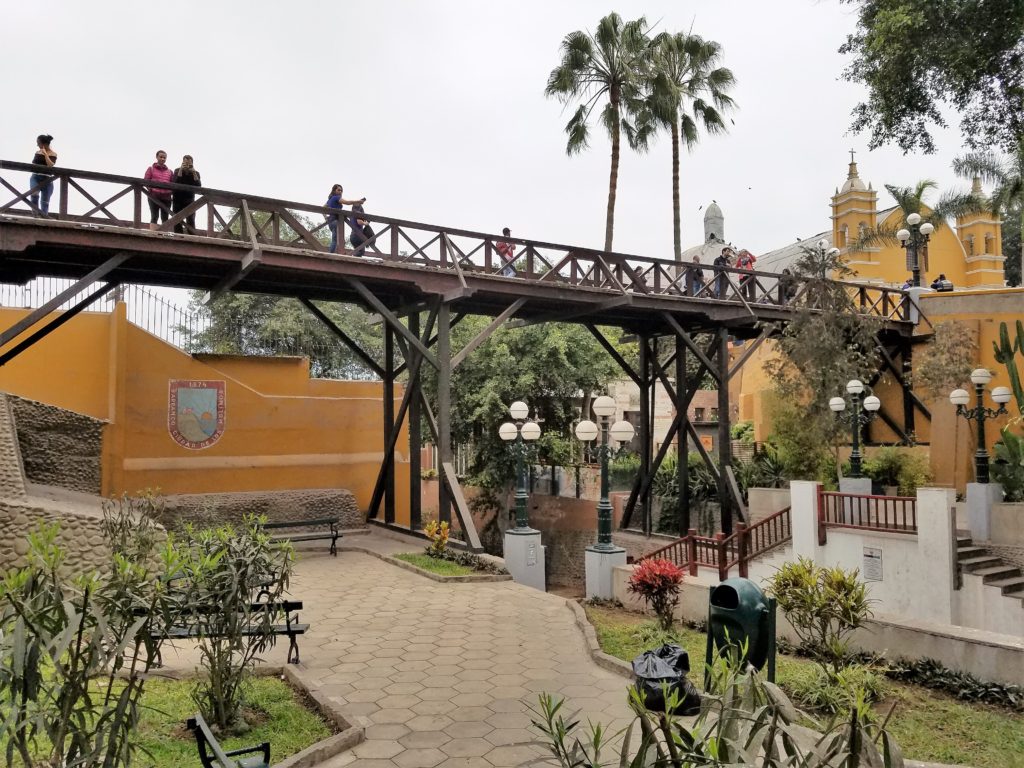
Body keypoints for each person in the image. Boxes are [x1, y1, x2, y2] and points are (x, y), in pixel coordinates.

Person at [324, 184, 366, 253]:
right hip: (336, 221)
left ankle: (336, 253)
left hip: (331, 222)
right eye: (338, 190)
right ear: (334, 191)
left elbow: (323, 209)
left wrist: (326, 218)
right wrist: (358, 201)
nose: (340, 192)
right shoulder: (336, 198)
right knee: (335, 240)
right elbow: (347, 202)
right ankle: (331, 255)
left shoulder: (330, 200)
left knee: (338, 240)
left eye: (341, 190)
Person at [143, 150, 174, 230]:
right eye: (161, 157)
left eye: (164, 157)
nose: (163, 159)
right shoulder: (151, 169)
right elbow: (146, 181)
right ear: (157, 157)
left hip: (166, 198)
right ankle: (153, 234)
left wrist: (169, 192)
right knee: (154, 216)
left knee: (165, 217)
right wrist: (151, 190)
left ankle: (165, 235)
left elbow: (173, 184)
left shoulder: (170, 171)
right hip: (154, 197)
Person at [171, 155, 202, 234]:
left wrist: (193, 172)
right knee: (176, 218)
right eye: (185, 162)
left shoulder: (196, 173)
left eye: (189, 163)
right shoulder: (177, 170)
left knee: (191, 219)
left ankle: (192, 235)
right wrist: (181, 169)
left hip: (189, 199)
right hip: (177, 198)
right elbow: (175, 182)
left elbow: (198, 186)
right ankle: (178, 235)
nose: (187, 164)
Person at [29, 134, 57, 215]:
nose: (37, 145)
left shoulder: (53, 154)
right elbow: (33, 164)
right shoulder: (37, 152)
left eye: (38, 143)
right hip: (36, 177)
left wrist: (45, 154)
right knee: (34, 195)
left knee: (45, 202)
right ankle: (35, 214)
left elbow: (50, 165)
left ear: (44, 144)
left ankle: (44, 217)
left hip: (47, 179)